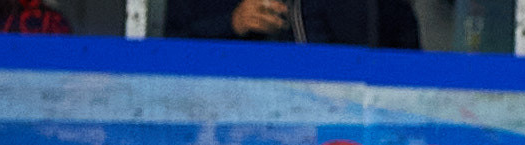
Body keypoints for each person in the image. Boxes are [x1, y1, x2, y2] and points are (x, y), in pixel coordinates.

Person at [164, 0, 419, 49]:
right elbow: (165, 53)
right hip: (237, 137)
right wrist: (233, 23)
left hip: (341, 135)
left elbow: (407, 61)